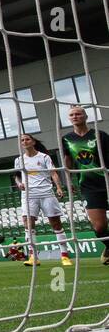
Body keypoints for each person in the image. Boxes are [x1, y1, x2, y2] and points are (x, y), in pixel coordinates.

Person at [14, 133, 73, 267]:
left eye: (27, 139)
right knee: (28, 224)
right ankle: (33, 256)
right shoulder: (19, 160)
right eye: (22, 140)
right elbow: (17, 176)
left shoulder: (44, 157)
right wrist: (19, 184)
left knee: (56, 224)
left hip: (46, 193)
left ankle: (64, 256)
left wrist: (58, 187)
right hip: (28, 196)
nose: (24, 141)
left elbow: (53, 173)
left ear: (33, 142)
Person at [61, 104, 109, 266]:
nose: (75, 116)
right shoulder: (67, 138)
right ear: (69, 118)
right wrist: (68, 180)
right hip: (88, 186)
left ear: (85, 116)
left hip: (107, 180)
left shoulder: (99, 134)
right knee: (99, 226)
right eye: (72, 115)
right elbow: (67, 160)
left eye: (78, 114)